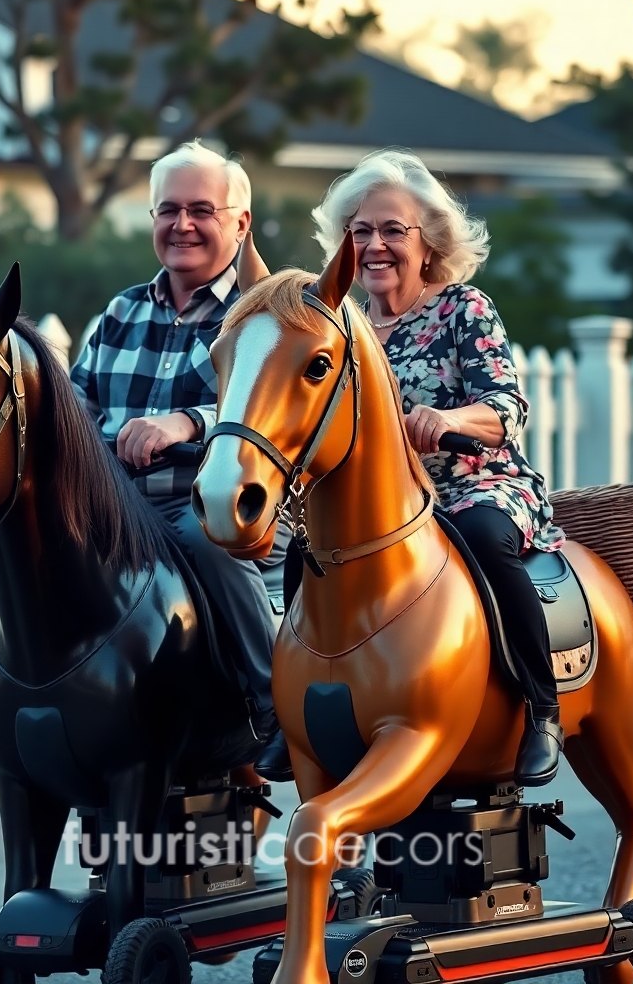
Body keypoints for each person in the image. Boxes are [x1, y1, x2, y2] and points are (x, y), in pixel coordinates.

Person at [311, 148, 566, 786]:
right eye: (359, 231)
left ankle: (541, 707)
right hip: (380, 513)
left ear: (429, 244)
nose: (374, 245)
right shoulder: (338, 325)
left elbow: (507, 409)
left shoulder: (463, 310)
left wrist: (448, 422)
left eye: (393, 230)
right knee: (302, 558)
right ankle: (301, 710)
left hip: (472, 489)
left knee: (482, 538)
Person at [69, 141, 291, 781]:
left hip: (218, 504)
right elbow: (77, 405)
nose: (182, 225)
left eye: (202, 210)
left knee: (210, 542)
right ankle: (47, 698)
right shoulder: (120, 313)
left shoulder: (264, 315)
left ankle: (272, 705)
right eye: (168, 210)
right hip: (120, 507)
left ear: (241, 222)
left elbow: (277, 415)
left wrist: (185, 422)